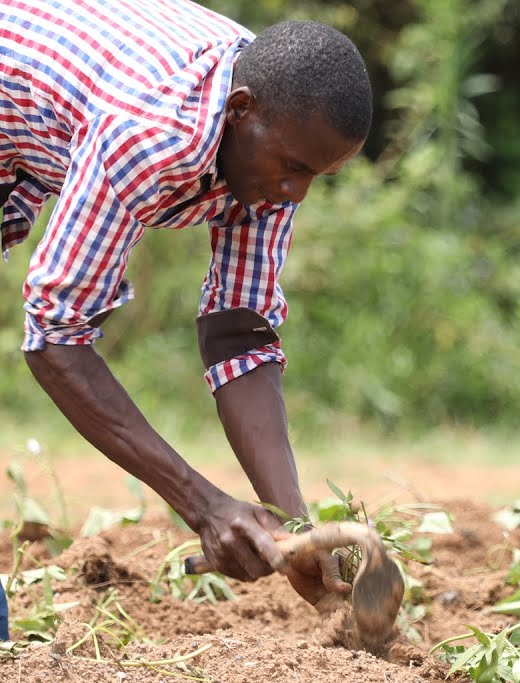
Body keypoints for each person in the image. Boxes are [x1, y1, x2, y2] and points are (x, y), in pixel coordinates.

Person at [0, 0, 372, 610]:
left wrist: (301, 530)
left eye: (316, 178)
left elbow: (239, 335)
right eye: (293, 169)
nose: (295, 193)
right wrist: (205, 505)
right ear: (239, 110)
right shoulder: (147, 135)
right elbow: (56, 336)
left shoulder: (277, 123)